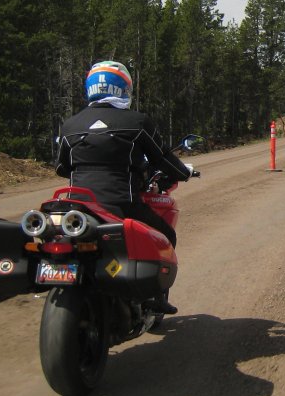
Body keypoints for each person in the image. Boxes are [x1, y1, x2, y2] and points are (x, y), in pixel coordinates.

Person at [55, 60, 191, 314]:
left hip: (77, 209)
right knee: (166, 236)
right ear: (123, 88)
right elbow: (161, 157)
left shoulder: (69, 126)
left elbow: (62, 167)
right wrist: (183, 173)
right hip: (121, 204)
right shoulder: (137, 122)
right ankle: (156, 299)